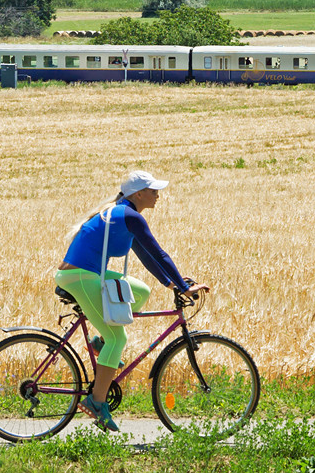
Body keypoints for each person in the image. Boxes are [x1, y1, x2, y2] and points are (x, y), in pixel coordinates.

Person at [57, 170, 209, 431]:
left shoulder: (124, 214)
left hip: (87, 274)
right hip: (79, 277)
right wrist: (185, 288)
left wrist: (173, 284)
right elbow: (160, 254)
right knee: (120, 339)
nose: (158, 195)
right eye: (153, 191)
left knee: (140, 291)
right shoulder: (129, 216)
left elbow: (148, 257)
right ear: (138, 194)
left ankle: (101, 343)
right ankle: (96, 402)